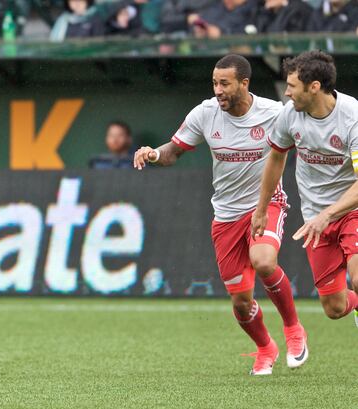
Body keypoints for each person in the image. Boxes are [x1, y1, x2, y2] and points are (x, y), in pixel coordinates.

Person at [134, 54, 307, 376]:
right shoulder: (205, 113)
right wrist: (154, 154)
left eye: (224, 83)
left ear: (244, 83)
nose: (218, 90)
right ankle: (265, 348)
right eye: (215, 83)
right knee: (241, 301)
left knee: (265, 262)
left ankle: (294, 329)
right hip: (226, 215)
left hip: (264, 204)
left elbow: (308, 140)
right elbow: (174, 152)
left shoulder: (274, 113)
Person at [253, 50, 358, 333]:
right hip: (315, 218)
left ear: (314, 87)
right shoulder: (289, 116)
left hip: (351, 209)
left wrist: (331, 213)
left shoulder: (353, 118)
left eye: (292, 86)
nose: (286, 93)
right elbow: (276, 158)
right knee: (334, 308)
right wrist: (261, 210)